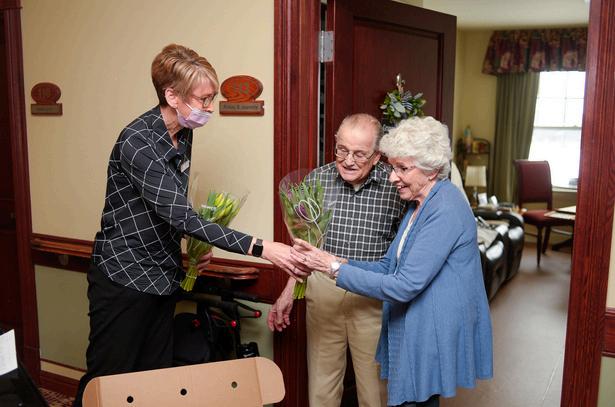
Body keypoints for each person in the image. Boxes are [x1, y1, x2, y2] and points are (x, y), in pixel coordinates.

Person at [73, 44, 309, 407]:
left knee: (154, 382)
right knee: (107, 382)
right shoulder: (137, 141)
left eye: (212, 98)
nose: (210, 108)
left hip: (162, 276)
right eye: (203, 99)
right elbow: (181, 216)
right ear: (172, 95)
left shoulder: (183, 133)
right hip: (124, 277)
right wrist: (264, 248)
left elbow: (170, 207)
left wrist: (193, 250)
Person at [292, 116, 493, 407]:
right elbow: (389, 265)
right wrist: (337, 260)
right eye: (394, 167)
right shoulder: (420, 204)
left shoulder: (445, 207)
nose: (392, 177)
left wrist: (333, 268)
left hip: (430, 331)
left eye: (402, 168)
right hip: (414, 325)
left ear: (431, 169)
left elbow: (404, 284)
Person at [267, 113, 407, 407]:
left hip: (371, 294)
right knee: (322, 386)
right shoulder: (316, 180)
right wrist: (289, 290)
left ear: (377, 155)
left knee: (375, 391)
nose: (348, 160)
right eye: (342, 150)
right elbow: (305, 245)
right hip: (323, 292)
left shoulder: (396, 186)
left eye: (359, 154)